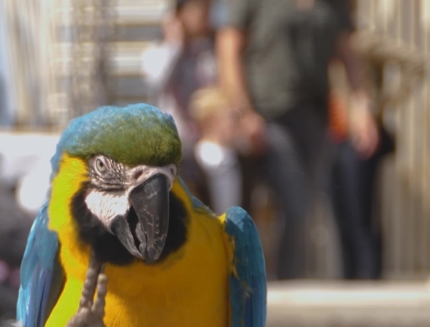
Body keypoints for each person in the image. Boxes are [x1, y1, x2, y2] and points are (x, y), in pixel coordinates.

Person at [215, 0, 379, 279]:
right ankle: (285, 285)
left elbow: (349, 57)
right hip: (270, 117)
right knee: (297, 203)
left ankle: (286, 283)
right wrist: (243, 111)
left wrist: (362, 111)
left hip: (316, 119)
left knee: (306, 207)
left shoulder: (333, 5)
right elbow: (228, 48)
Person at [141, 0, 218, 201]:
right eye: (196, 8)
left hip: (207, 138)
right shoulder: (160, 52)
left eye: (207, 8)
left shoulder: (210, 52)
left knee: (218, 158)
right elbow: (157, 77)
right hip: (173, 140)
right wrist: (175, 43)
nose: (203, 15)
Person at [189, 86, 243, 213]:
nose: (234, 122)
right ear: (211, 120)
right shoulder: (189, 162)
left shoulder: (240, 159)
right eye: (231, 116)